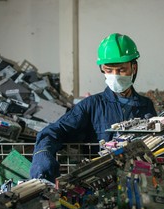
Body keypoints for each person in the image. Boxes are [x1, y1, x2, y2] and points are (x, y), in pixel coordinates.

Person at [29, 33, 157, 182]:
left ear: (133, 68)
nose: (115, 75)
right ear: (102, 69)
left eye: (121, 70)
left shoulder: (145, 105)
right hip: (101, 180)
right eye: (109, 70)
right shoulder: (91, 105)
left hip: (138, 179)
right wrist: (43, 155)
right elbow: (54, 131)